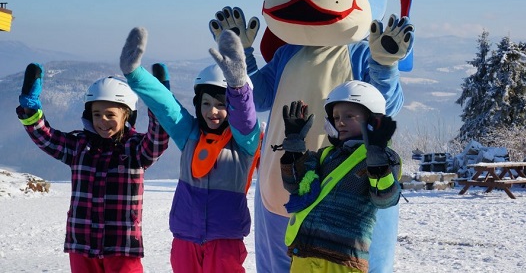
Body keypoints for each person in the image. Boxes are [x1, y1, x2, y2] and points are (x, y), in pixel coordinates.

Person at [119, 27, 261, 272]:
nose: (212, 111)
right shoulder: (191, 135)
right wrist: (135, 74)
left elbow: (246, 121)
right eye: (206, 103)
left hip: (225, 241)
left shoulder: (243, 143)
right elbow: (167, 107)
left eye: (221, 104)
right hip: (185, 239)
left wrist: (237, 87)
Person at [16, 63, 170, 273]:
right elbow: (46, 137)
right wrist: (30, 110)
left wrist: (161, 100)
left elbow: (159, 138)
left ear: (127, 115)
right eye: (97, 114)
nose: (102, 121)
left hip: (121, 246)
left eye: (110, 115)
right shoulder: (80, 146)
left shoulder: (135, 149)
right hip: (82, 245)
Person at [275, 81, 402, 273]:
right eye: (336, 117)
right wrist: (294, 147)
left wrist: (377, 162)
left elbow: (385, 199)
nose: (340, 122)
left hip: (343, 260)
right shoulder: (325, 155)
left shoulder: (386, 158)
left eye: (349, 116)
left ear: (372, 120)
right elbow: (296, 186)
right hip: (305, 253)